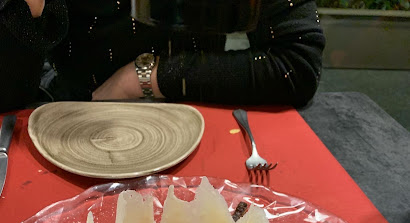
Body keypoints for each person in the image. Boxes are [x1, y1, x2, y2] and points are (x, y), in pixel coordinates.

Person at [0, 0, 325, 113]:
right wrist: (26, 11)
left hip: (201, 119)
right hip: (76, 119)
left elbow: (296, 65)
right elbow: (8, 98)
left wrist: (143, 78)